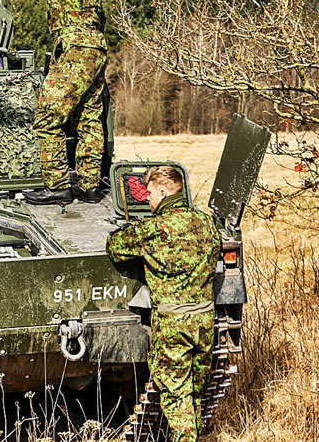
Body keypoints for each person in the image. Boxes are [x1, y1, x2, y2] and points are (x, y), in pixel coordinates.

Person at [0, 0, 107, 204]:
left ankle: (58, 186)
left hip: (77, 49)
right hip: (94, 49)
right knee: (88, 119)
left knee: (48, 118)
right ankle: (89, 186)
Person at [106, 165, 221, 442]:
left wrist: (132, 230)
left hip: (173, 325)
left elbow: (115, 246)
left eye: (149, 193)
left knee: (176, 395)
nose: (146, 199)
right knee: (195, 389)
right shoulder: (206, 223)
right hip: (204, 321)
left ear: (163, 191)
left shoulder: (154, 229)